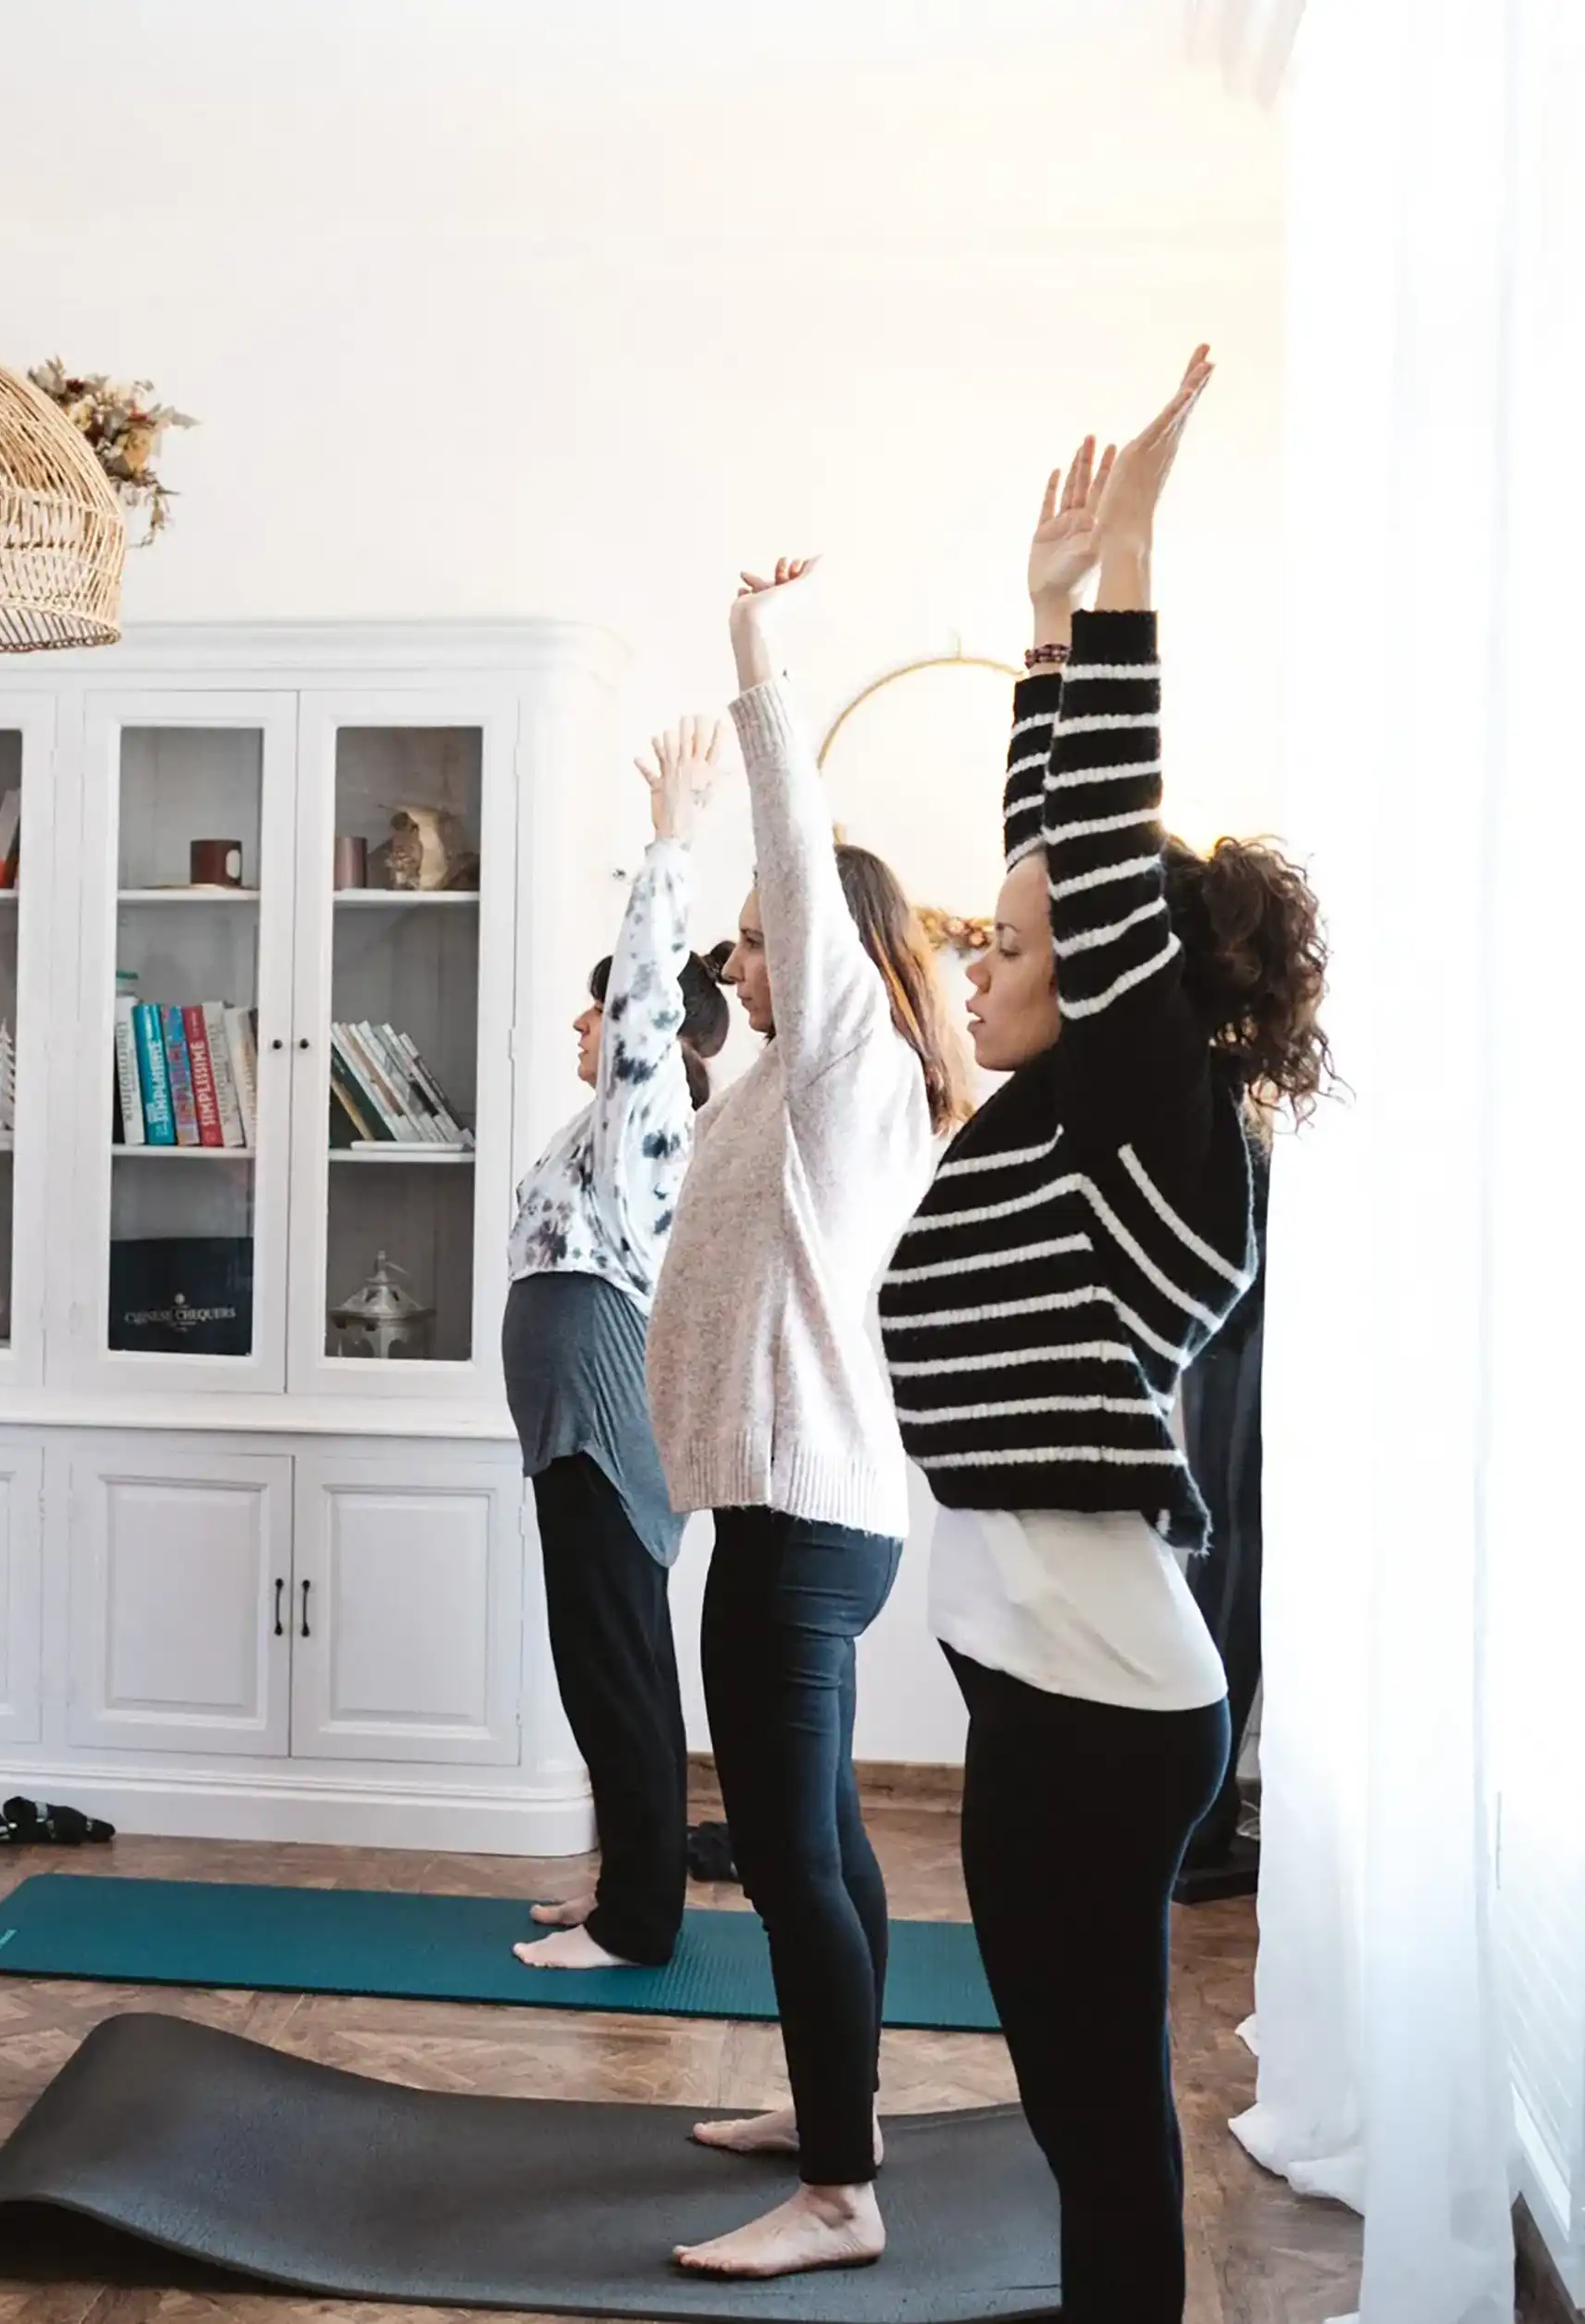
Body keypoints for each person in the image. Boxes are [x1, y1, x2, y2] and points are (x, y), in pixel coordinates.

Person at [878, 349, 1333, 2323]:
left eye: (1007, 944)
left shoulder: (1160, 1134)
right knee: (1072, 2111)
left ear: (1113, 983)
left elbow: (1095, 872)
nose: (978, 961)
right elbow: (1059, 869)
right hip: (1028, 1672)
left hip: (1102, 1704)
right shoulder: (1069, 1123)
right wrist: (1040, 629)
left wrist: (1128, 579)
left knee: (1099, 2108)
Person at [647, 558, 965, 2281]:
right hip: (786, 1507)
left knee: (785, 1852)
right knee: (821, 1836)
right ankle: (835, 2108)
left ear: (826, 944)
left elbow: (792, 847)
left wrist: (756, 655)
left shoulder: (847, 1056)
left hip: (802, 1516)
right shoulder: (776, 1074)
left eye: (768, 934)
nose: (744, 952)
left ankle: (842, 2192)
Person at [504, 718, 729, 1974]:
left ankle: (640, 1922)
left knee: (618, 1673)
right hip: (575, 1428)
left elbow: (650, 993)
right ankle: (620, 1890)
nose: (587, 1029)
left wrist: (670, 839)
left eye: (600, 1012)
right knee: (607, 1668)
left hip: (600, 1424)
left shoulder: (649, 1112)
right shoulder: (607, 1130)